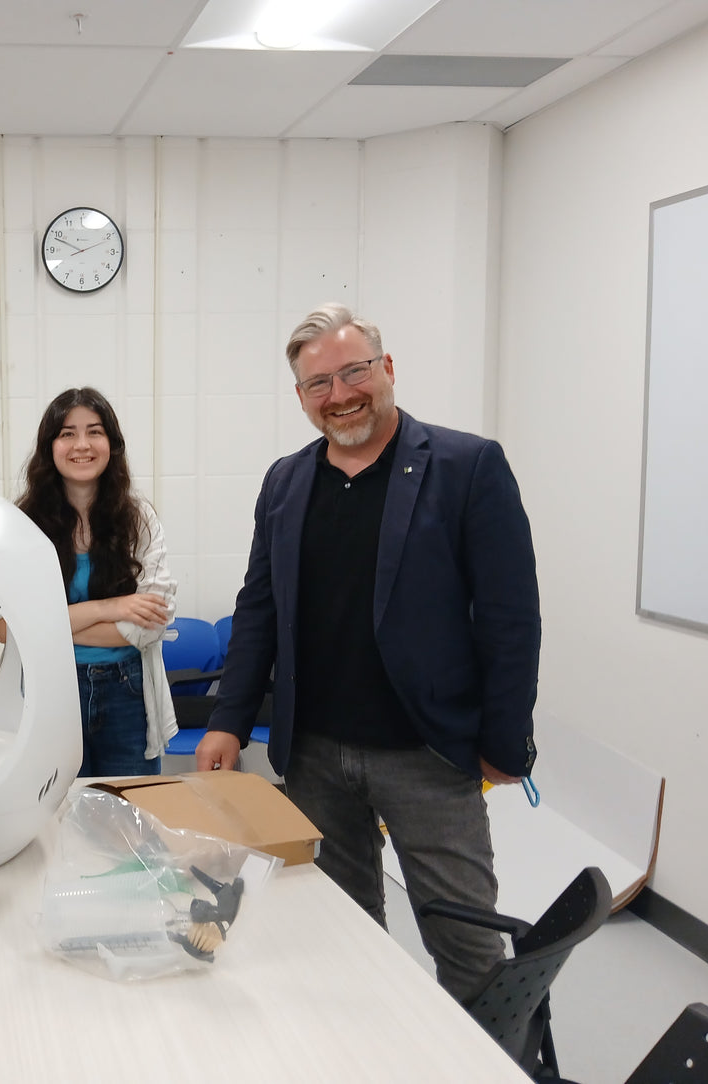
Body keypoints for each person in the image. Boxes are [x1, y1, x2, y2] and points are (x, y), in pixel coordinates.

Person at [195, 303, 540, 1002]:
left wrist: (506, 743)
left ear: (386, 369)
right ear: (299, 398)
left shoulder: (466, 466)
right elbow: (257, 606)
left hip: (428, 753)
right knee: (341, 932)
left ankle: (499, 1063)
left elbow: (509, 621)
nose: (338, 394)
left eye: (352, 372)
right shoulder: (285, 482)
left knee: (466, 942)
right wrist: (227, 718)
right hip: (315, 753)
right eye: (316, 384)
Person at [0, 387, 177, 776]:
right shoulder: (21, 524)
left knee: (131, 820)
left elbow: (152, 624)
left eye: (94, 431)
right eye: (67, 433)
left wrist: (46, 624)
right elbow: (3, 628)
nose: (82, 445)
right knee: (55, 819)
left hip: (127, 692)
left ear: (111, 443)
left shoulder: (139, 519)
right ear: (50, 447)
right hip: (52, 691)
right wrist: (109, 608)